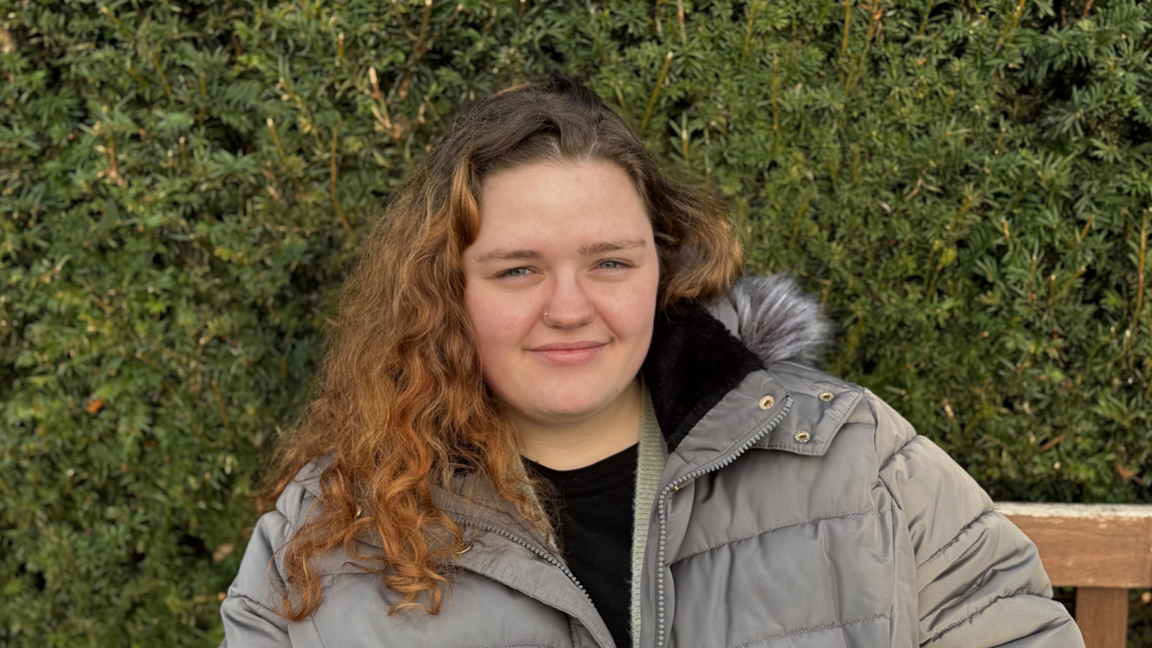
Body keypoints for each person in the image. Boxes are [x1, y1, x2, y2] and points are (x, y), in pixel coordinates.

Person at [220, 76, 1084, 648]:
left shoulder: (851, 459)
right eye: (518, 269)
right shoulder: (330, 530)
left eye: (611, 262)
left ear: (662, 269)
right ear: (447, 291)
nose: (570, 306)